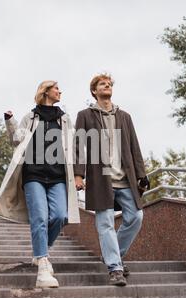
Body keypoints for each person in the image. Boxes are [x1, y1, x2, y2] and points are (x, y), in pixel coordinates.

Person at [0, 80, 80, 288]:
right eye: (56, 88)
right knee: (39, 217)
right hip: (33, 174)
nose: (60, 91)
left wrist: (78, 174)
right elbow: (16, 138)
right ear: (46, 91)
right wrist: (9, 121)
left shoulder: (64, 119)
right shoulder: (31, 117)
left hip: (58, 175)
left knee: (60, 215)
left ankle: (42, 251)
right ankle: (42, 266)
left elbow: (73, 146)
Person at [73, 73, 150, 286]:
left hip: (126, 179)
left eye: (109, 84)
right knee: (105, 222)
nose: (107, 86)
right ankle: (115, 267)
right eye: (102, 84)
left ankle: (113, 255)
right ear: (94, 91)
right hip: (101, 179)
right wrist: (78, 175)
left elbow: (135, 147)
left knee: (136, 217)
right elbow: (79, 146)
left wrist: (142, 175)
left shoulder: (124, 116)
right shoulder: (85, 115)